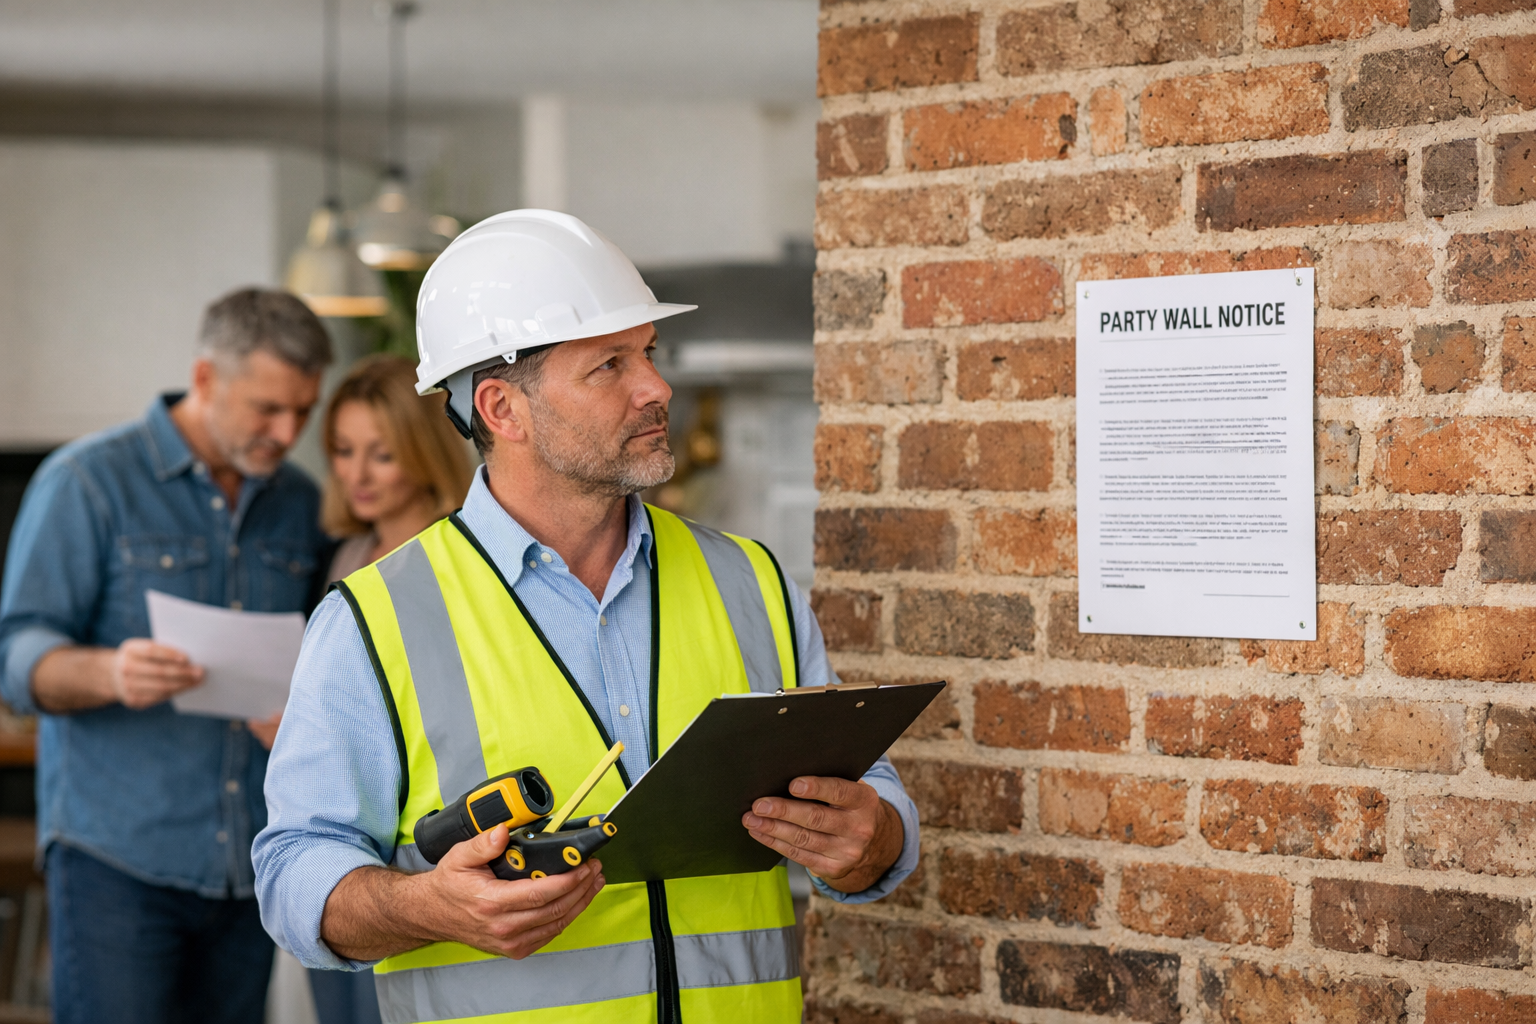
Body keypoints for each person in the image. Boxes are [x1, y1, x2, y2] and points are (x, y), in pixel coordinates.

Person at [255, 210, 918, 1024]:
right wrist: (426, 907)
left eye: (649, 352)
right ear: (502, 409)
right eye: (609, 365)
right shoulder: (373, 619)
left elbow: (868, 801)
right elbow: (292, 873)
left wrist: (872, 841)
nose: (658, 387)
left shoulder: (751, 581)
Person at [0, 288, 333, 1024]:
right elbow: (17, 656)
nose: (286, 432)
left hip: (251, 870)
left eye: (303, 411)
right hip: (116, 861)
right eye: (267, 408)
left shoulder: (303, 504)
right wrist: (110, 672)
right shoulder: (87, 481)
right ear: (206, 379)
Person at [308, 354, 472, 1024]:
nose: (356, 474)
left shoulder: (457, 560)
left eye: (381, 454)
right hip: (341, 842)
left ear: (424, 449)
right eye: (344, 452)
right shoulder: (347, 557)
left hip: (422, 844)